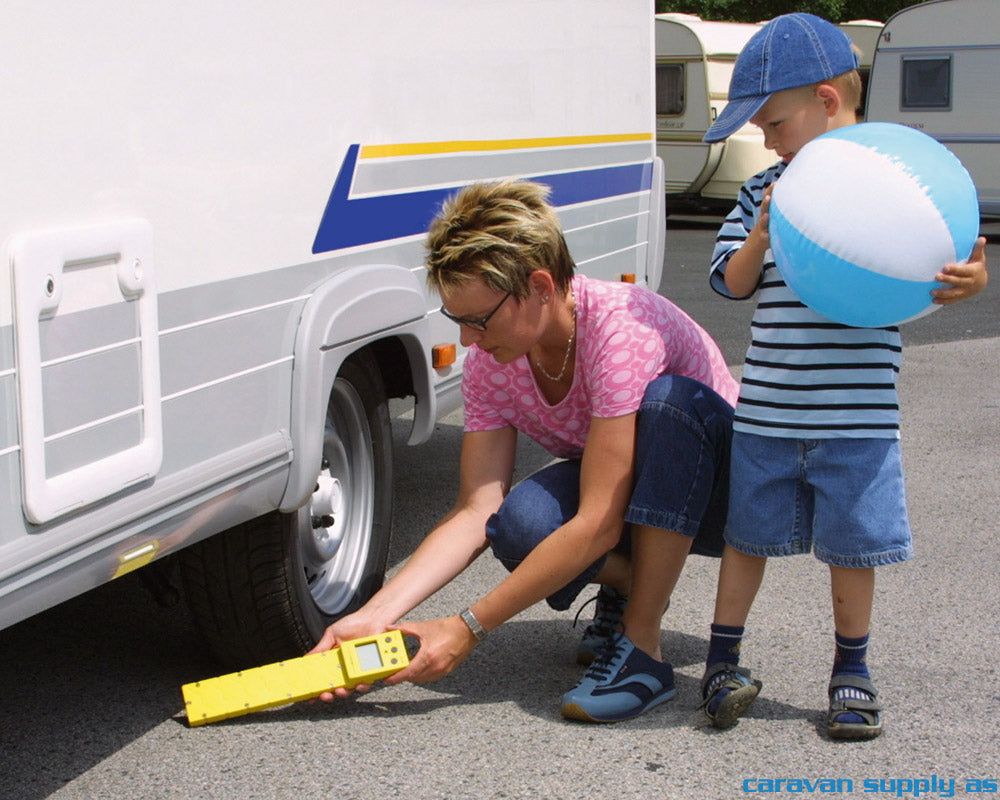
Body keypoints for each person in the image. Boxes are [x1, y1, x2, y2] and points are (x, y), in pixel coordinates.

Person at [310, 179, 739, 722]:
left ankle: (643, 648)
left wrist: (467, 628)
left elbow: (599, 523)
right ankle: (635, 585)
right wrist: (375, 614)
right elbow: (476, 510)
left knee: (669, 402)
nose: (467, 341)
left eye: (478, 320)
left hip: (719, 497)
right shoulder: (492, 361)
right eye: (457, 321)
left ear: (539, 286)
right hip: (633, 490)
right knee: (520, 524)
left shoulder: (620, 330)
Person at [699, 13, 989, 740]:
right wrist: (761, 233)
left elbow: (942, 261)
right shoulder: (763, 190)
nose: (767, 139)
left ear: (827, 100)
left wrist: (971, 280)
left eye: (774, 122)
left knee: (855, 549)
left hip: (858, 419)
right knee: (746, 539)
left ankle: (851, 671)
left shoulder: (897, 185)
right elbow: (730, 283)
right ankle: (722, 661)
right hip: (768, 412)